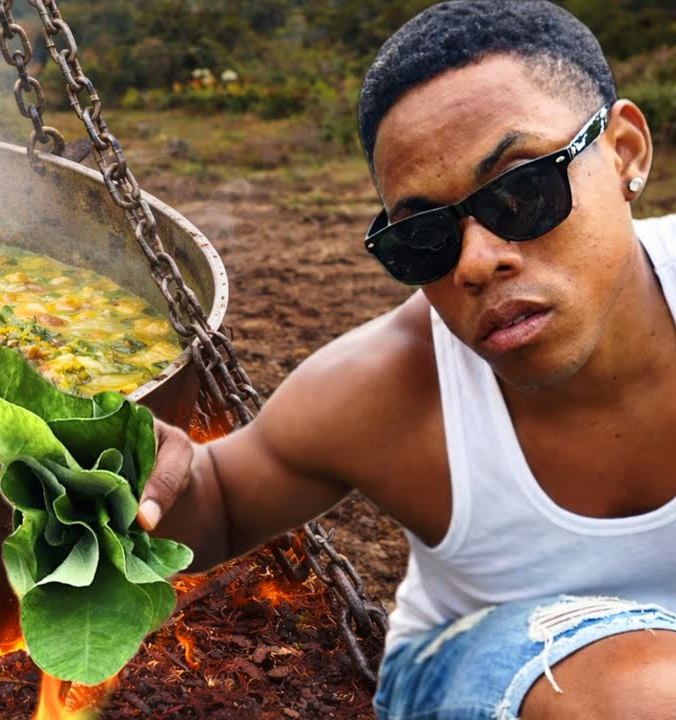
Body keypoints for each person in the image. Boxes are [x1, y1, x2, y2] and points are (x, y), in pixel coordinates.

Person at [136, 2, 676, 719]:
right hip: (490, 674)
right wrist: (142, 473)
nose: (478, 263)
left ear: (626, 152)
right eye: (423, 238)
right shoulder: (390, 389)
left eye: (521, 190)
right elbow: (222, 500)